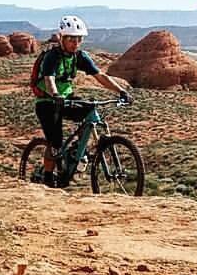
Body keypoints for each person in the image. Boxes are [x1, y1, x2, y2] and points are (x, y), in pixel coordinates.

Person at [33, 16, 131, 187]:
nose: (75, 43)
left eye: (79, 39)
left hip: (66, 99)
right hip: (47, 101)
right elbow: (49, 78)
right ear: (62, 37)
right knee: (55, 142)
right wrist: (55, 94)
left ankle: (77, 151)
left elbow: (100, 76)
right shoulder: (52, 56)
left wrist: (121, 91)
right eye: (71, 39)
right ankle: (48, 176)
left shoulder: (80, 56)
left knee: (89, 111)